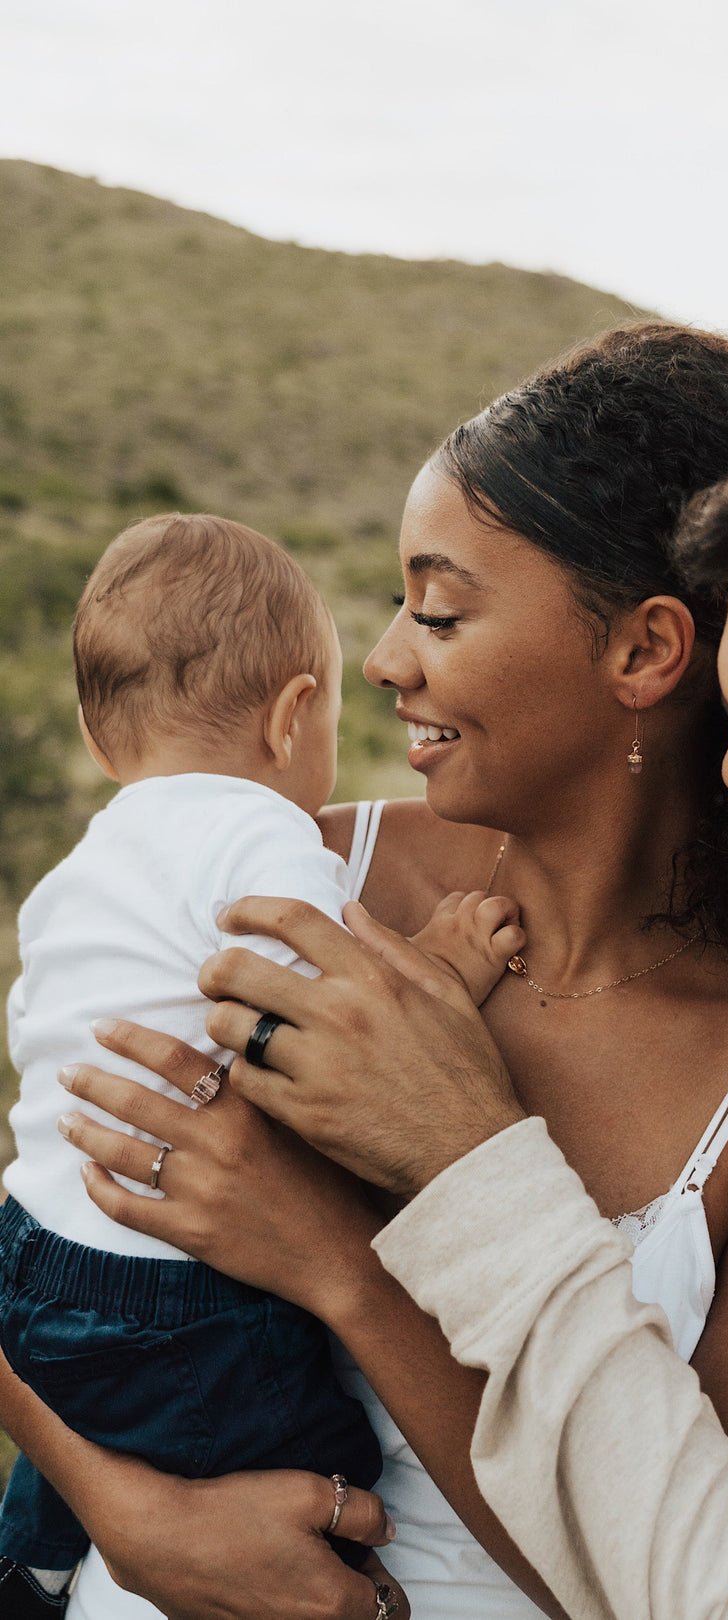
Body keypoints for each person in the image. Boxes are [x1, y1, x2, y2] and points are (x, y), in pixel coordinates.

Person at [2, 325, 728, 1620]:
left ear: (644, 653)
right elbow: (45, 1204)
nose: (381, 662)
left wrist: (344, 1270)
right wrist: (120, 1510)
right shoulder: (300, 875)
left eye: (438, 609)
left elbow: (716, 1588)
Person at [0, 513, 518, 1619]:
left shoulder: (79, 870)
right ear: (293, 719)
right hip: (176, 1282)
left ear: (100, 745)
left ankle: (37, 1563)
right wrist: (445, 969)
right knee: (313, 1448)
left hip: (37, 1248)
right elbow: (323, 1028)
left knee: (87, 1416)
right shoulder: (260, 836)